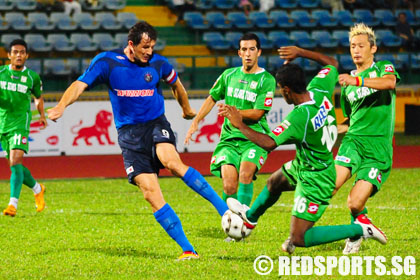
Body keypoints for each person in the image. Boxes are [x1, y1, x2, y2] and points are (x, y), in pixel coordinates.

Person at [47, 21, 228, 260]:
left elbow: (176, 85)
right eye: (145, 47)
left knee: (171, 161)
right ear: (131, 45)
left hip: (155, 124)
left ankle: (225, 211)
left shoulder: (159, 63)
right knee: (150, 193)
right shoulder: (107, 63)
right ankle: (188, 250)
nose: (149, 52)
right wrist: (61, 106)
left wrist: (186, 108)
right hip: (129, 135)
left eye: (152, 46)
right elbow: (79, 85)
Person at [220, 48, 387, 254]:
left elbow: (269, 143)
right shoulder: (319, 88)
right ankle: (249, 220)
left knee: (299, 237)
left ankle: (360, 228)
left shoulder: (300, 117)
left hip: (316, 177)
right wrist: (300, 52)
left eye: (281, 89)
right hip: (305, 163)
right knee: (275, 182)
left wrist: (239, 125)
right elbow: (331, 62)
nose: (281, 93)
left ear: (287, 90)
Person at [185, 33, 276, 210]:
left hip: (254, 138)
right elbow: (212, 98)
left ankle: (243, 222)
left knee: (245, 173)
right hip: (229, 139)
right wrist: (197, 120)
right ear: (239, 53)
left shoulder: (267, 80)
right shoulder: (228, 75)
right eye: (244, 49)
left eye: (252, 49)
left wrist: (235, 113)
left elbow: (258, 113)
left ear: (259, 52)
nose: (248, 53)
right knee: (228, 185)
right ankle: (233, 222)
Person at [333, 23, 399, 254]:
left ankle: (359, 228)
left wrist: (358, 81)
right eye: (352, 46)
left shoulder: (383, 68)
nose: (356, 50)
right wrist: (334, 129)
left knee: (354, 202)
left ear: (374, 49)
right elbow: (350, 119)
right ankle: (297, 235)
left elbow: (389, 83)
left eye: (361, 46)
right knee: (328, 186)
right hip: (353, 143)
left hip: (378, 149)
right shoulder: (347, 86)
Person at [0, 39, 47, 217]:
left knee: (15, 161)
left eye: (22, 52)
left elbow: (38, 97)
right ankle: (37, 188)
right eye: (15, 52)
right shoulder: (1, 73)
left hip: (20, 124)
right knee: (14, 165)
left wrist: (42, 114)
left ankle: (13, 205)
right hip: (2, 124)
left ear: (26, 55)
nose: (18, 55)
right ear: (9, 55)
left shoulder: (32, 77)